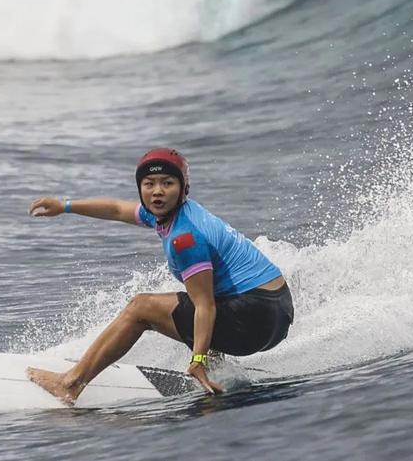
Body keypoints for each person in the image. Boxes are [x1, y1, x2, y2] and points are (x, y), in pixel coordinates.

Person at [26, 148, 294, 403]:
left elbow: (205, 305)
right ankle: (215, 369)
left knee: (140, 308)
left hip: (254, 319)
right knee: (192, 302)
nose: (157, 192)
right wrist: (65, 206)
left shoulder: (185, 237)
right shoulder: (167, 213)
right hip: (277, 310)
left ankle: (70, 384)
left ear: (183, 189)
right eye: (149, 184)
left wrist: (197, 360)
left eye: (167, 183)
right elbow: (117, 209)